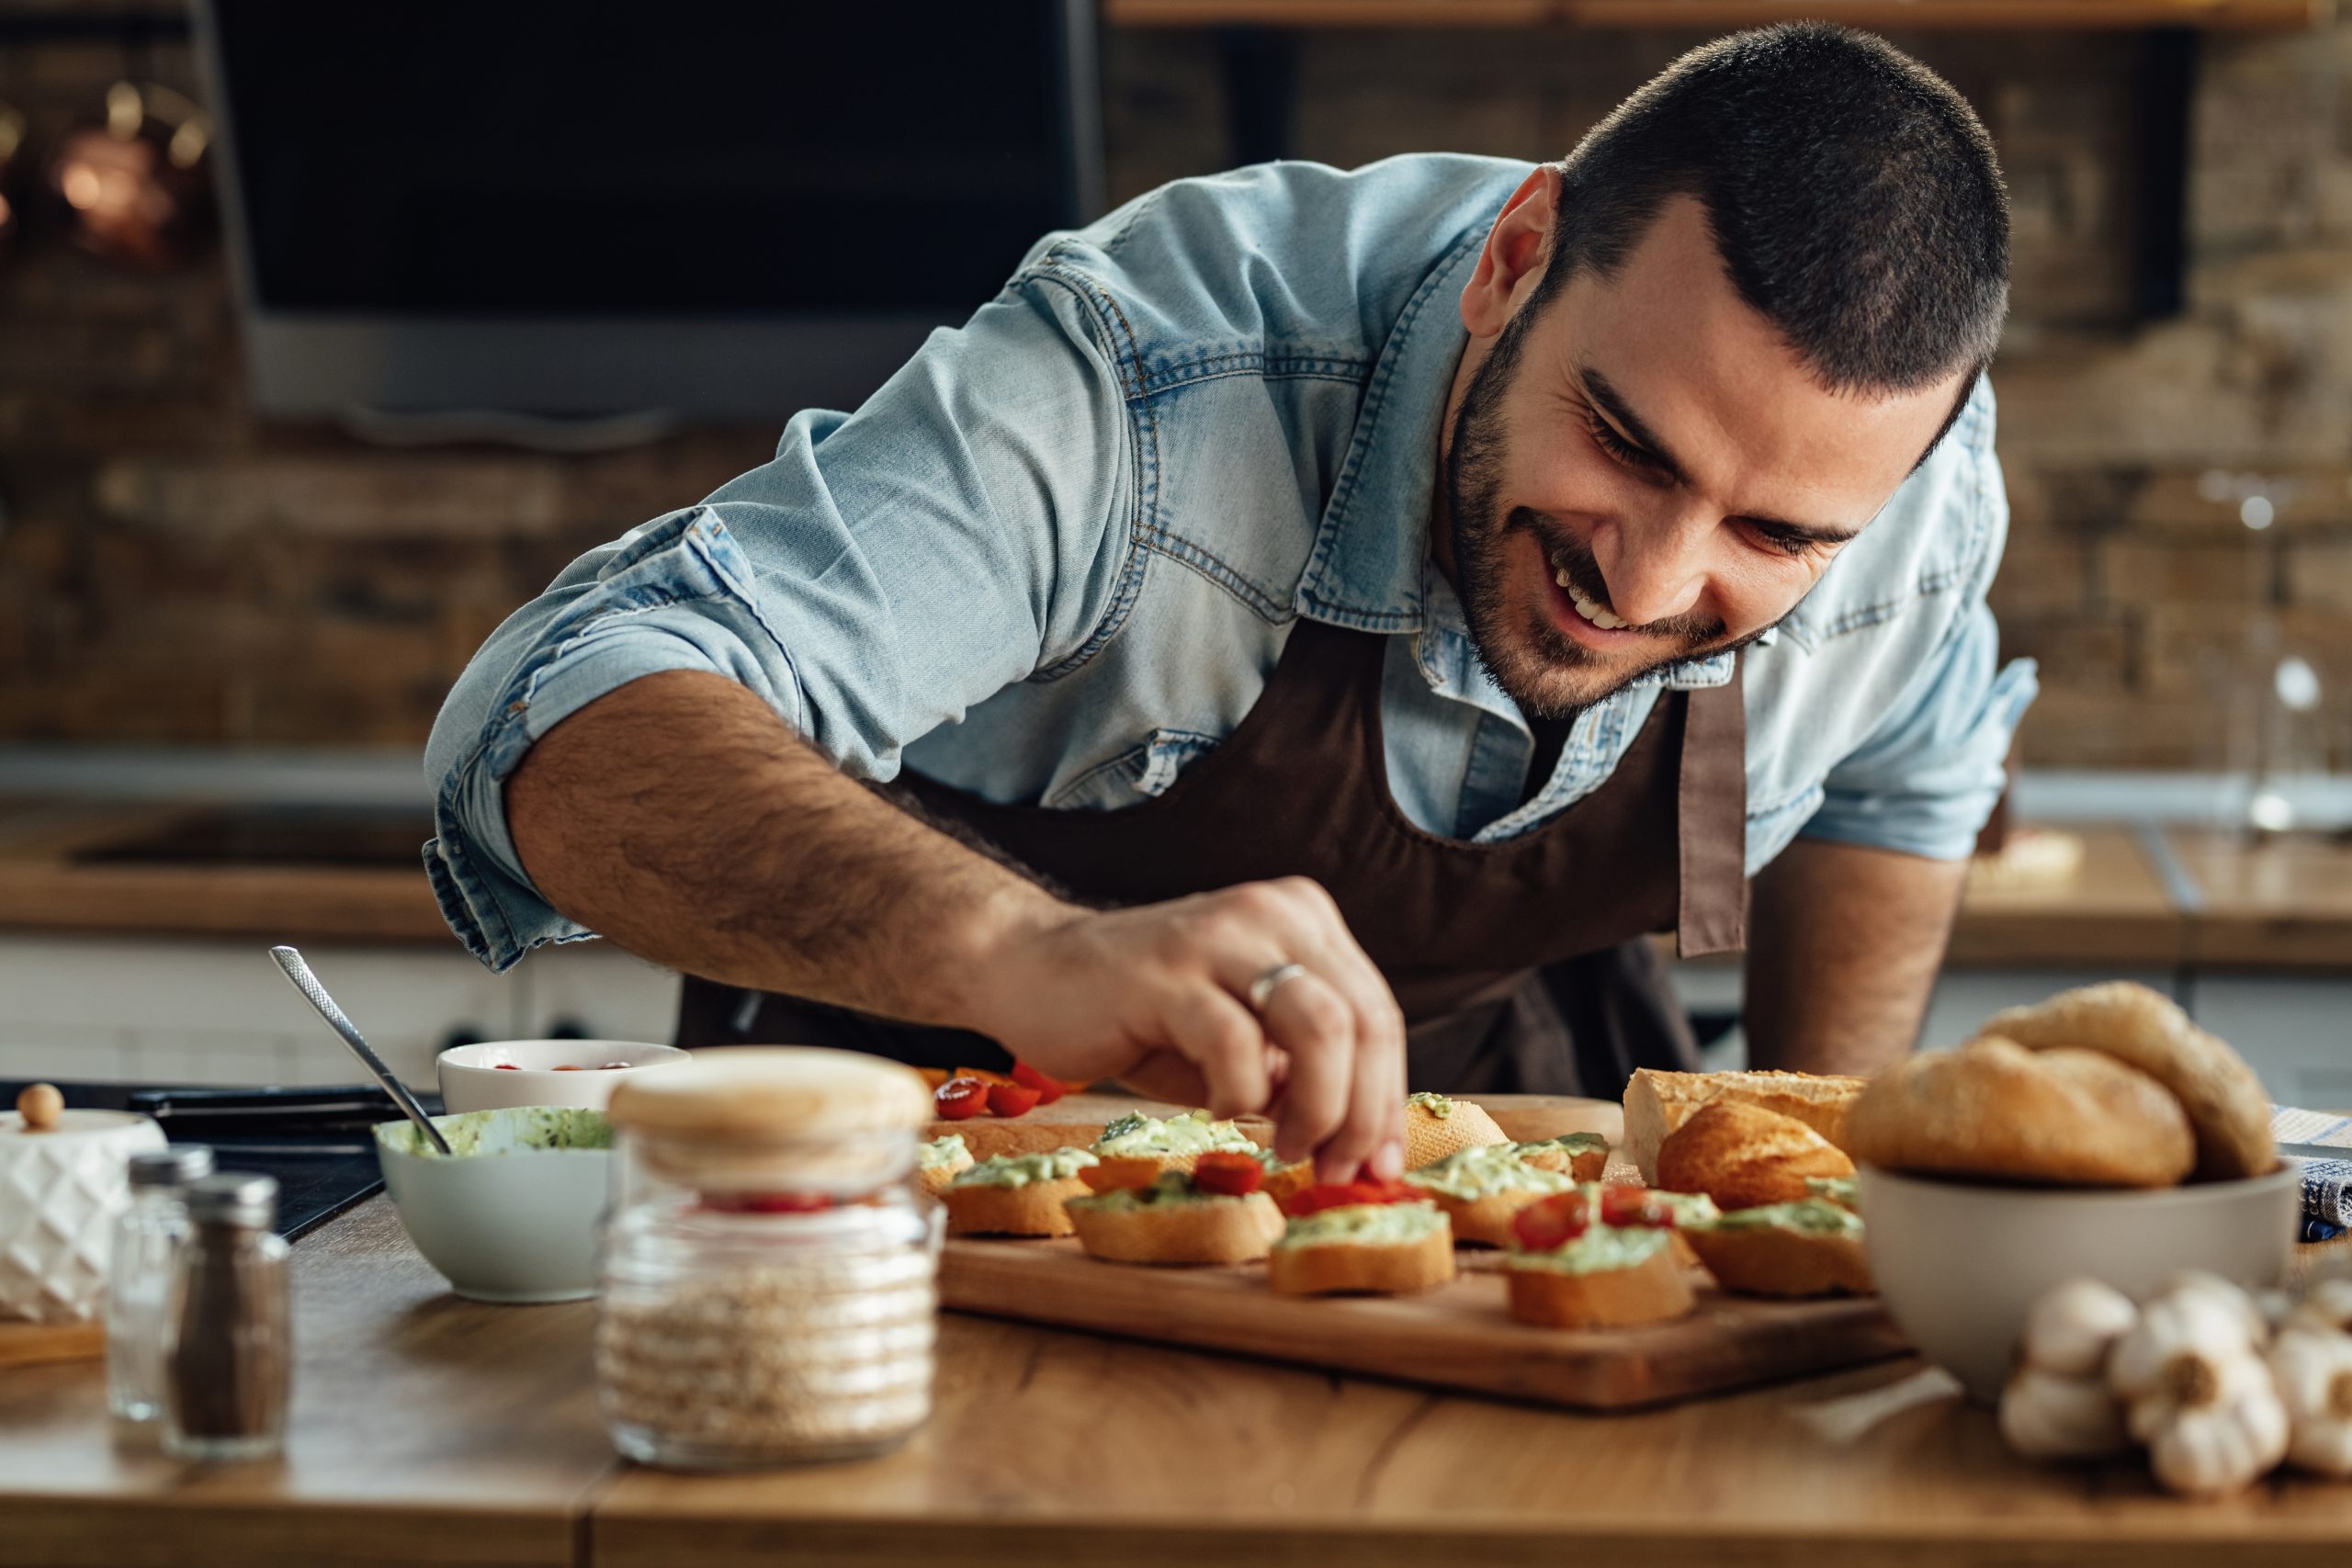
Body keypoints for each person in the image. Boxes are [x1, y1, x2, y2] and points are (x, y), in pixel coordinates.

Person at [424, 24, 2034, 1181]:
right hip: (931, 1156)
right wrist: (1025, 952)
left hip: (1508, 1166)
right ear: (1517, 255)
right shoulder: (1150, 383)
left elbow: (1907, 769)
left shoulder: (1918, 504)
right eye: (1621, 443)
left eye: (1772, 532)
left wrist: (1827, 1162)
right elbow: (553, 709)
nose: (1653, 580)